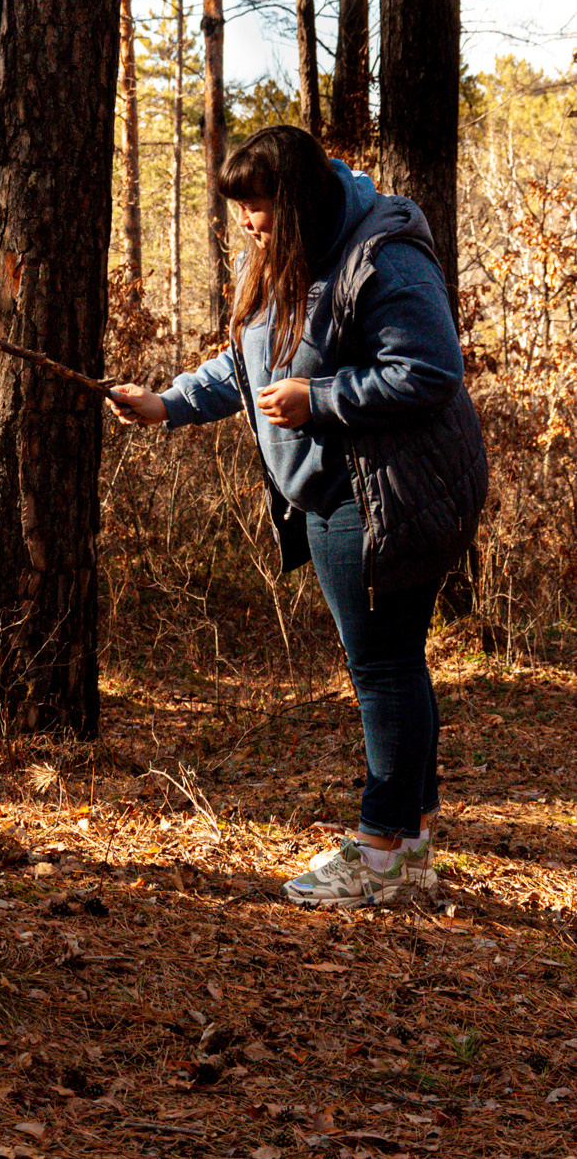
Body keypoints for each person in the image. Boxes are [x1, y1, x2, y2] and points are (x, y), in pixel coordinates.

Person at [109, 125, 487, 908]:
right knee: (394, 662)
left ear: (302, 200)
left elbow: (430, 369)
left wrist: (321, 399)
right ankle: (407, 847)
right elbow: (252, 360)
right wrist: (170, 403)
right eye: (241, 210)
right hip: (332, 490)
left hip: (388, 493)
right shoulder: (283, 255)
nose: (248, 223)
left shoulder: (383, 257)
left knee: (382, 667)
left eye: (260, 209)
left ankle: (381, 853)